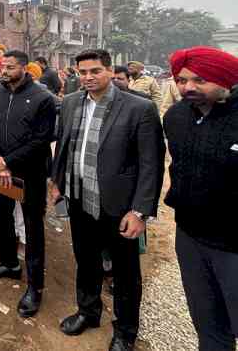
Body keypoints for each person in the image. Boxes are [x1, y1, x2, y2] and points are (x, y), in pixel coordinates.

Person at [50, 49, 165, 351]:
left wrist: (140, 211)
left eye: (95, 71)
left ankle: (125, 331)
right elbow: (63, 145)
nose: (88, 78)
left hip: (119, 206)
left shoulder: (138, 109)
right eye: (82, 72)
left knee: (126, 273)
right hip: (78, 199)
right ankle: (88, 312)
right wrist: (58, 182)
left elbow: (151, 164)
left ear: (110, 71)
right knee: (86, 261)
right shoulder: (72, 102)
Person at [163, 46, 238, 350]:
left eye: (200, 79)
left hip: (234, 245)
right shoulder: (176, 117)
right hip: (190, 237)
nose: (188, 87)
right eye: (182, 80)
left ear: (225, 81)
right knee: (208, 323)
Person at [0, 50, 56, 318]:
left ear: (24, 68)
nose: (3, 72)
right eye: (2, 67)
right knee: (3, 217)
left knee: (33, 228)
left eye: (10, 68)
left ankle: (35, 288)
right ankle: (9, 264)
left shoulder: (43, 98)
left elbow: (41, 140)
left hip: (29, 173)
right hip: (0, 172)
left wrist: (8, 162)